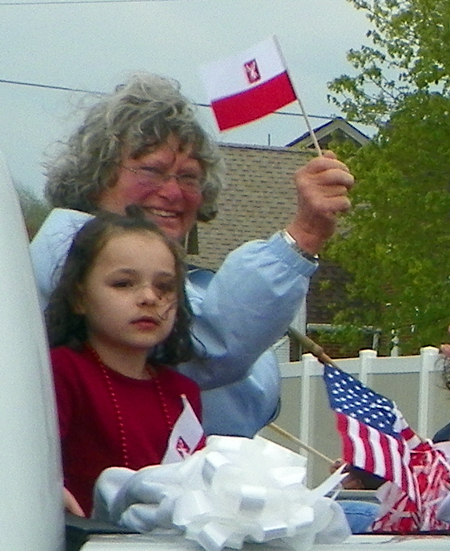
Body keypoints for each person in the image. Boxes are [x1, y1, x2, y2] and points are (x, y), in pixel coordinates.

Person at [31, 72, 354, 437]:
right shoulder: (68, 246)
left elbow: (248, 395)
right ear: (96, 175)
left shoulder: (192, 280)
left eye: (188, 177)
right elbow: (207, 346)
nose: (172, 192)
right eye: (152, 170)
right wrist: (303, 237)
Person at [45, 207, 204, 517]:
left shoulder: (184, 393)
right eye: (123, 283)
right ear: (79, 297)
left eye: (164, 286)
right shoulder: (60, 372)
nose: (148, 297)